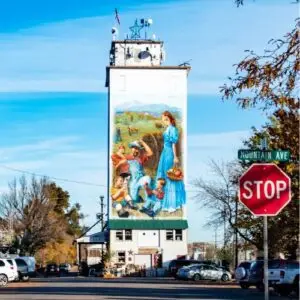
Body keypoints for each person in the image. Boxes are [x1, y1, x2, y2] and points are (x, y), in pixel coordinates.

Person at [156, 111, 186, 212]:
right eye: (163, 120)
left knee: (170, 176)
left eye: (166, 119)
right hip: (165, 153)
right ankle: (165, 201)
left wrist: (175, 156)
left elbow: (173, 144)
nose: (165, 121)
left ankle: (172, 204)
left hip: (169, 153)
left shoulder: (172, 129)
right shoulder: (167, 129)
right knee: (164, 176)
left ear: (170, 119)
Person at [125, 139, 153, 204]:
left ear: (139, 150)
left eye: (137, 148)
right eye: (133, 147)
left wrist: (143, 142)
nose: (135, 150)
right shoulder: (126, 157)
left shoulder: (140, 157)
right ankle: (139, 198)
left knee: (147, 179)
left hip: (140, 179)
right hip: (132, 180)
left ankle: (148, 200)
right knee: (134, 199)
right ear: (131, 148)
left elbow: (150, 153)